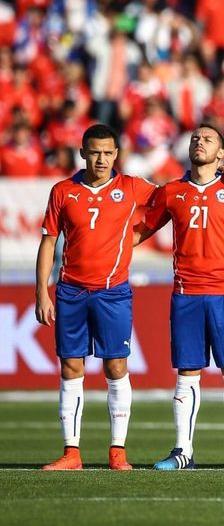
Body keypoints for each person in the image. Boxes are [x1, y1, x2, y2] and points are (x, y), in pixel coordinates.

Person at [139, 124, 224, 470]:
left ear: (221, 153)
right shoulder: (171, 191)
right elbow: (144, 227)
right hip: (186, 294)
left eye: (208, 139)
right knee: (186, 373)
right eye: (196, 138)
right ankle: (183, 451)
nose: (199, 142)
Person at [36, 124, 157, 470]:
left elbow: (168, 203)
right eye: (95, 152)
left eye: (108, 152)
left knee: (116, 365)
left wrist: (138, 235)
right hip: (71, 290)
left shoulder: (131, 186)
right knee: (71, 366)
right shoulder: (63, 191)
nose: (101, 159)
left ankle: (117, 451)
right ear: (83, 153)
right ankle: (71, 452)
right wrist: (42, 291)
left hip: (112, 292)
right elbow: (48, 242)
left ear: (116, 154)